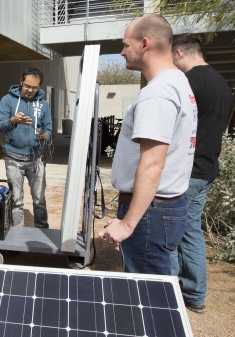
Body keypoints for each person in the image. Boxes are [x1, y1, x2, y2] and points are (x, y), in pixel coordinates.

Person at [97, 15, 198, 276]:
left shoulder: (157, 93)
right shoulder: (178, 82)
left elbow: (153, 163)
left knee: (147, 296)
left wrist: (128, 223)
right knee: (158, 292)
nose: (121, 51)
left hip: (150, 213)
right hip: (162, 207)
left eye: (125, 44)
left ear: (145, 44)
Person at [170, 34, 233, 313]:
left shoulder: (190, 81)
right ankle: (195, 295)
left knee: (170, 231)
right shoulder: (222, 84)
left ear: (180, 53)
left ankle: (168, 292)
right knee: (191, 231)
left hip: (187, 170)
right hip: (207, 167)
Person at [0, 67, 52, 228]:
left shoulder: (44, 105)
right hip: (13, 157)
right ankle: (18, 237)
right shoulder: (7, 100)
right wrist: (13, 120)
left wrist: (44, 135)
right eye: (27, 86)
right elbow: (0, 127)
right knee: (16, 200)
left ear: (39, 86)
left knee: (39, 199)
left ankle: (42, 233)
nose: (30, 90)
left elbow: (49, 130)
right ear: (21, 82)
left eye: (35, 87)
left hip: (36, 158)